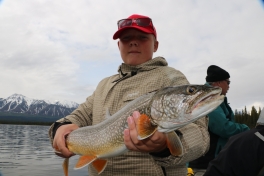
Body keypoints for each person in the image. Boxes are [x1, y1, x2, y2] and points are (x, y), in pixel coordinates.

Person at [48, 14, 210, 176]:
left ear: (156, 45)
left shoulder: (171, 78)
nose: (133, 42)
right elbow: (79, 116)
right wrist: (59, 130)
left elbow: (200, 137)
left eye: (142, 37)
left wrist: (163, 148)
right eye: (126, 38)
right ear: (119, 45)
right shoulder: (104, 85)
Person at [189, 65, 250, 176]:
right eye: (228, 82)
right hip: (205, 164)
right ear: (218, 83)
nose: (229, 86)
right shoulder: (210, 99)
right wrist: (246, 130)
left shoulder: (214, 98)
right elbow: (222, 127)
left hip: (210, 162)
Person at [204, 108, 264, 176]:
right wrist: (245, 130)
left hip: (219, 160)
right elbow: (223, 128)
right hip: (206, 162)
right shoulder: (213, 105)